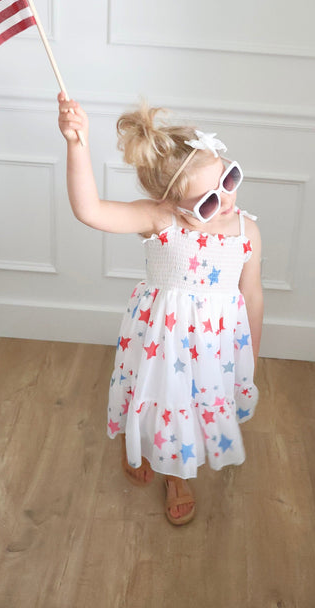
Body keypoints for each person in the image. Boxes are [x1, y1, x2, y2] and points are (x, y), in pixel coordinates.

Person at [57, 93, 264, 526]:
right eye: (207, 201)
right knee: (156, 398)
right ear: (171, 203)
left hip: (214, 347)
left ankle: (175, 472)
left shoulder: (248, 231)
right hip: (161, 343)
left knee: (190, 407)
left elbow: (252, 295)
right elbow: (90, 211)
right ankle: (142, 444)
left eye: (229, 180)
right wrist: (78, 144)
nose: (226, 201)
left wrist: (250, 359)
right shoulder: (161, 221)